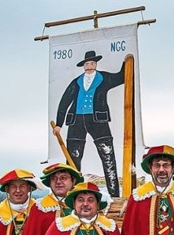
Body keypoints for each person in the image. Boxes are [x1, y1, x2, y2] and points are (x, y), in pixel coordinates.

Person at [53, 50, 125, 197]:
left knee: (107, 156)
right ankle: (73, 193)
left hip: (98, 120)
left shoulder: (104, 78)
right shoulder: (76, 82)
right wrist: (59, 124)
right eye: (87, 63)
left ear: (96, 64)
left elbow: (121, 77)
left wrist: (126, 62)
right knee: (73, 159)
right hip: (76, 121)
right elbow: (65, 101)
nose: (90, 66)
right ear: (83, 66)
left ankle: (114, 194)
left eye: (92, 63)